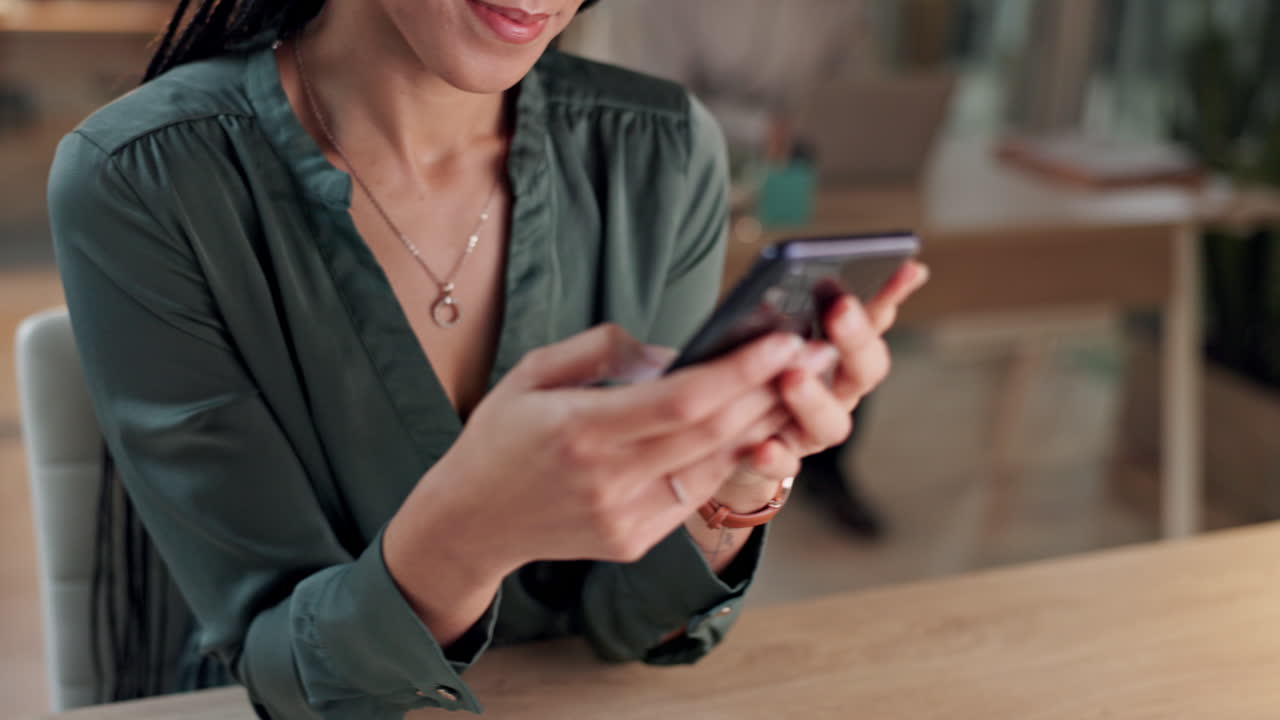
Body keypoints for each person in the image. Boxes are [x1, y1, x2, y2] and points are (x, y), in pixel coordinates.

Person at [47, 0, 927, 718]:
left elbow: (638, 630)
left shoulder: (658, 153)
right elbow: (285, 676)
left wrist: (734, 481)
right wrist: (472, 533)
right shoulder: (145, 177)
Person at [569, 0, 892, 538]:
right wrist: (767, 125)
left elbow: (854, 85)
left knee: (841, 297)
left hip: (799, 177)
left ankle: (821, 468)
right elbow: (643, 100)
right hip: (676, 176)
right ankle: (680, 476)